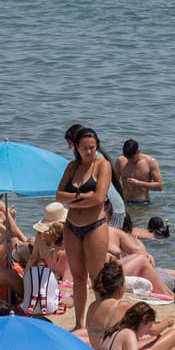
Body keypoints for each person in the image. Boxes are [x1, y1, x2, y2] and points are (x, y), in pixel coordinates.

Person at [56, 126, 113, 330]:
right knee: (78, 277)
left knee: (97, 276)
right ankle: (79, 324)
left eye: (92, 147)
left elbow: (99, 197)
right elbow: (59, 195)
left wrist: (74, 201)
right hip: (72, 226)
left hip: (95, 225)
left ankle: (99, 323)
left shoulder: (102, 165)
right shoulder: (72, 167)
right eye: (85, 148)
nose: (89, 152)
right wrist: (81, 197)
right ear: (77, 148)